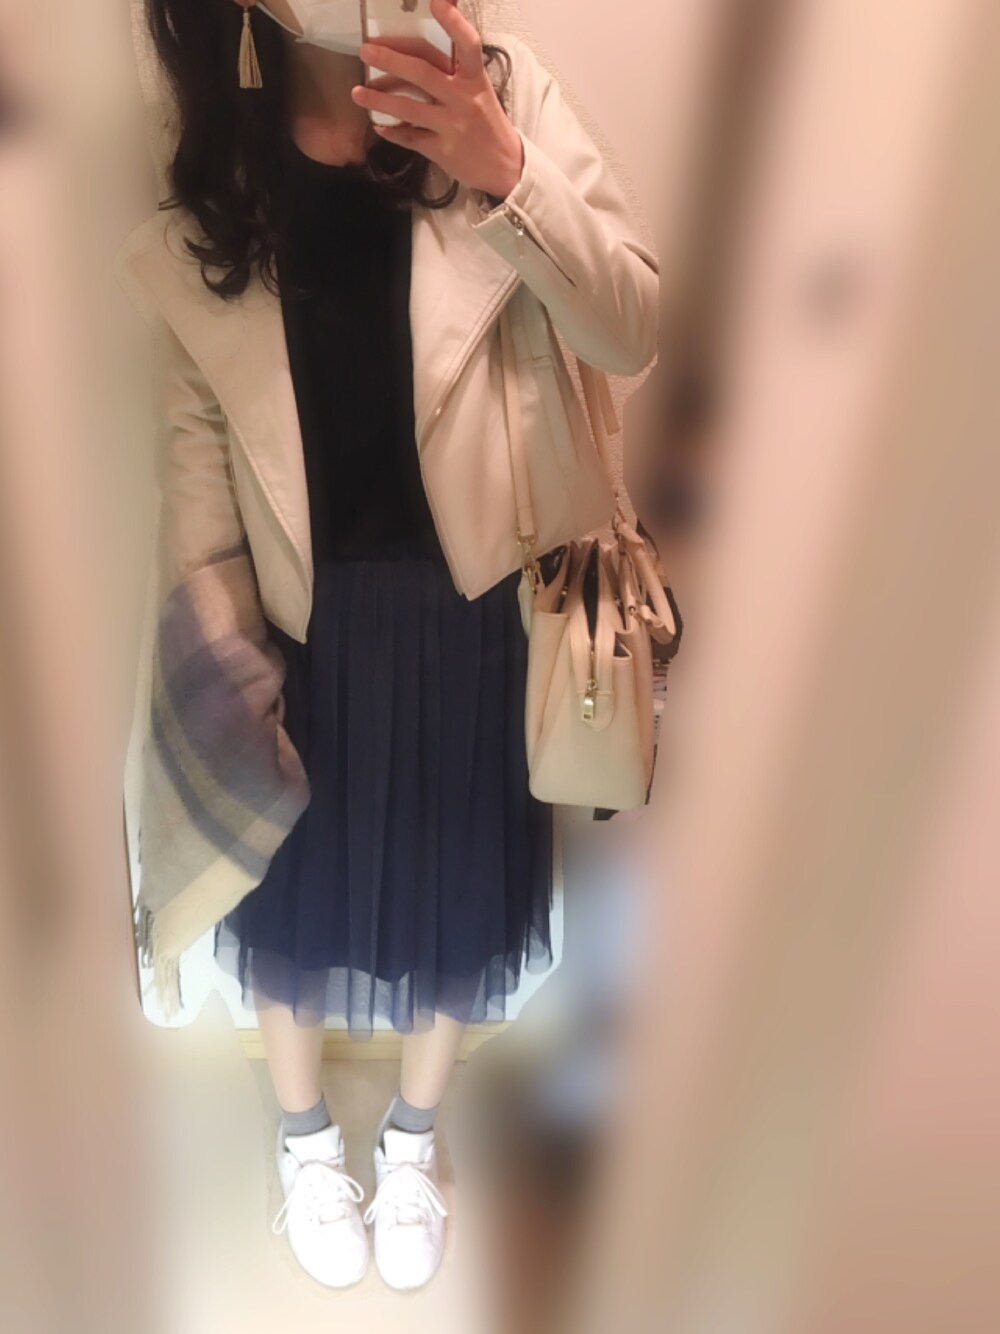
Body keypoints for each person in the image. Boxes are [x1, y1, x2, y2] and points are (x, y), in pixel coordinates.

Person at [129, 0, 658, 1294]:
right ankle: (307, 1141)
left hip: (479, 600)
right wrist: (217, 631)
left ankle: (415, 1138)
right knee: (286, 891)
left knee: (461, 891)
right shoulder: (222, 145)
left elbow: (628, 329)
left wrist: (505, 170)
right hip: (300, 611)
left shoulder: (506, 94)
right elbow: (200, 422)